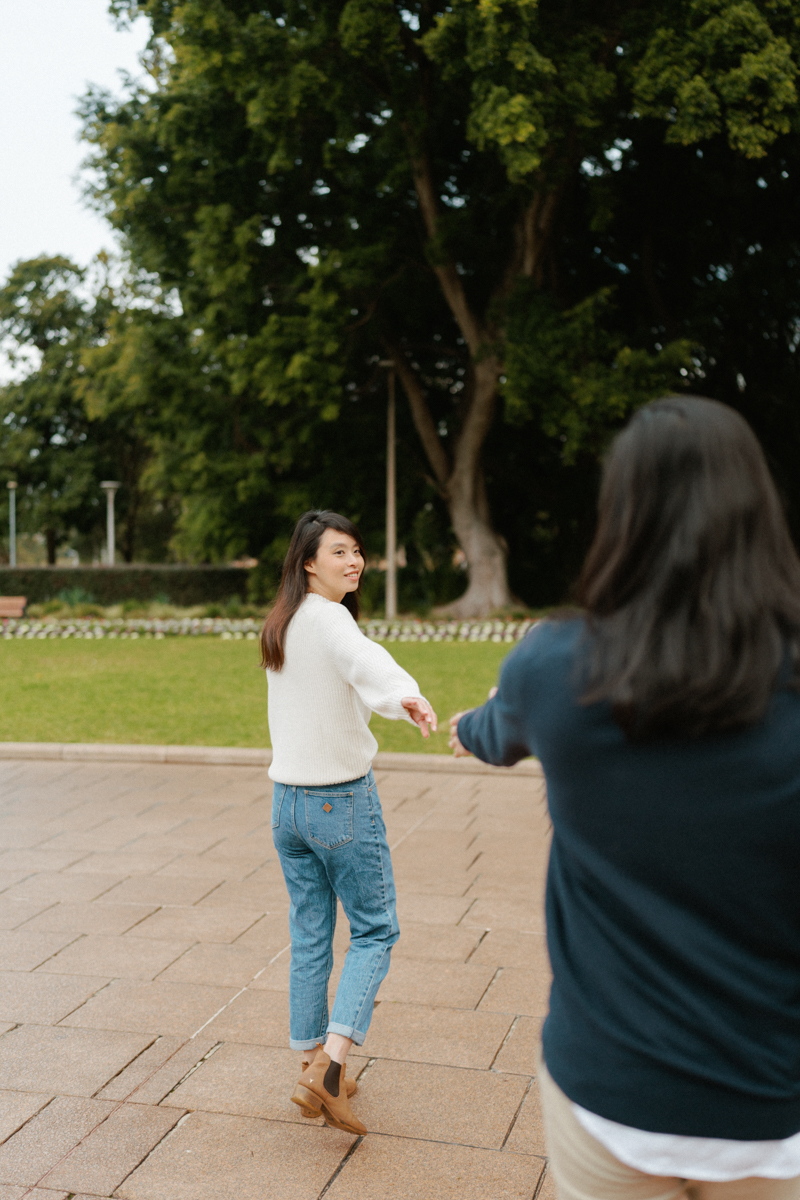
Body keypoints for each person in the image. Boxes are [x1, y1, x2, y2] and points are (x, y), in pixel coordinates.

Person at [449, 396, 800, 1199]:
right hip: (775, 1104)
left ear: (623, 515)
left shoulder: (553, 668)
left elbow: (497, 732)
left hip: (611, 1093)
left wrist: (467, 729)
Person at [262, 509, 437, 1135]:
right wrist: (406, 698)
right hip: (338, 801)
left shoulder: (283, 621)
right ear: (309, 562)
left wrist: (393, 695)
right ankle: (331, 1068)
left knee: (311, 933)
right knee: (375, 932)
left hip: (287, 804)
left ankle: (309, 1061)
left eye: (357, 550)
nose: (354, 561)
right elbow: (370, 664)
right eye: (339, 552)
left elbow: (355, 671)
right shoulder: (330, 619)